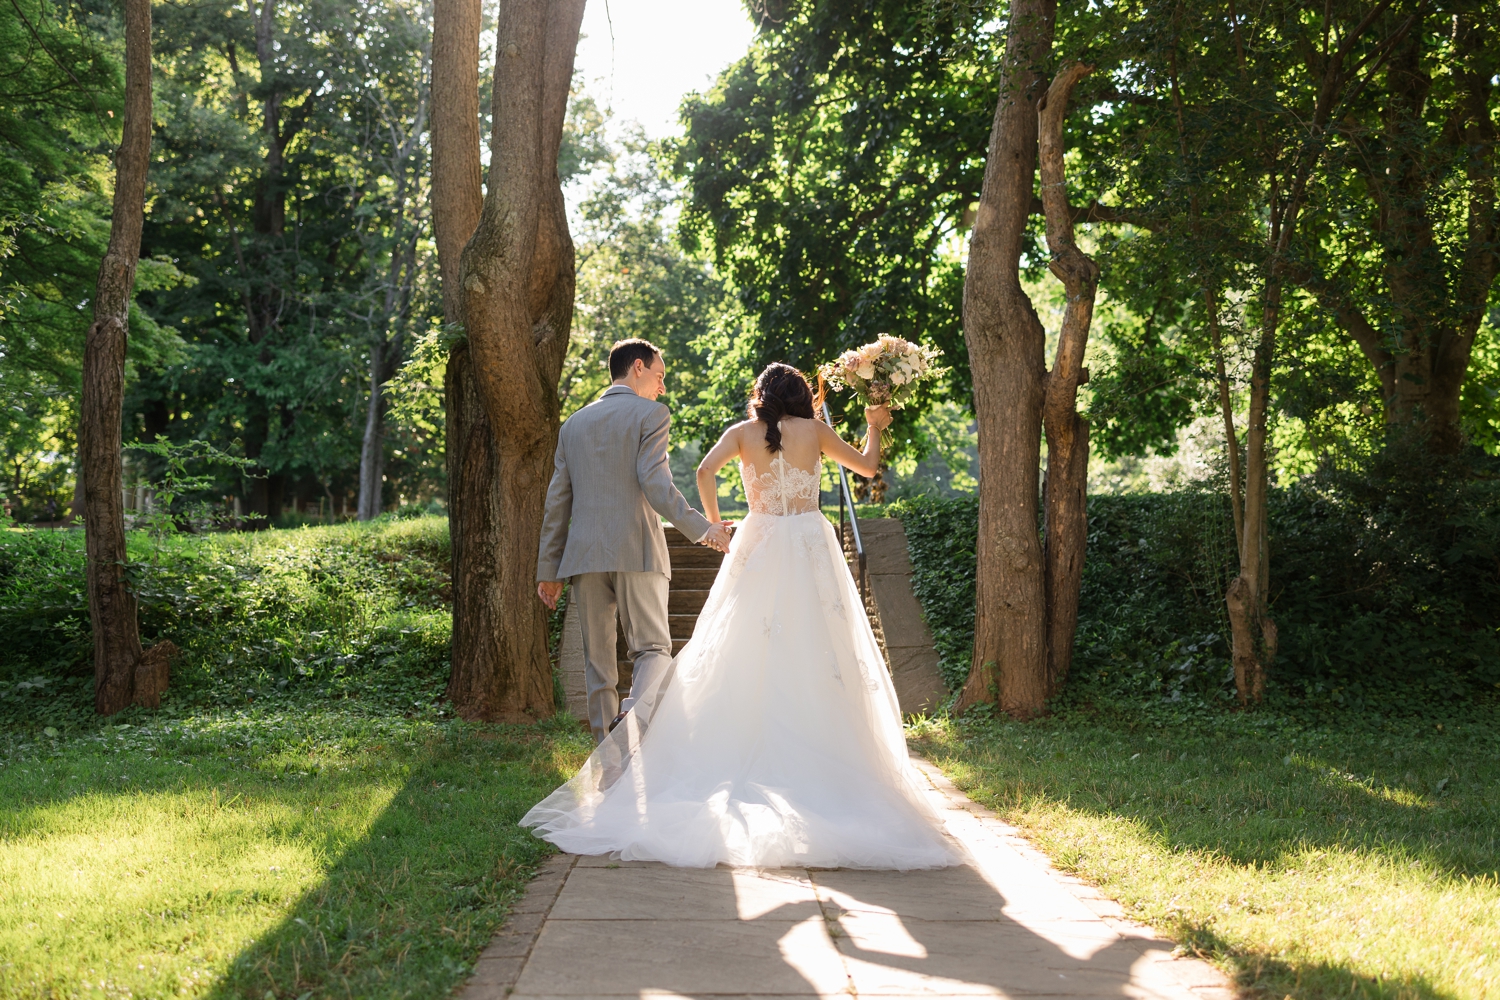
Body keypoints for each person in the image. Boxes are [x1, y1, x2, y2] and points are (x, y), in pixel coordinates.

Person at [523, 363, 960, 869]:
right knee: (820, 647)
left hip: (759, 538)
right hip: (808, 541)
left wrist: (713, 523)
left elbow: (704, 471)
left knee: (737, 645)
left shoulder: (741, 433)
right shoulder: (816, 431)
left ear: (761, 396)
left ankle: (661, 753)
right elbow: (866, 467)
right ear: (800, 397)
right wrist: (874, 425)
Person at [536, 338, 733, 744]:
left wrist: (548, 570)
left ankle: (606, 761)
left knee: (598, 665)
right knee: (652, 649)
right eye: (659, 376)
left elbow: (557, 502)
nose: (662, 387)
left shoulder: (572, 424)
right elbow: (655, 483)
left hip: (584, 558)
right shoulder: (652, 414)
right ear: (638, 367)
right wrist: (702, 529)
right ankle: (633, 721)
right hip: (637, 551)